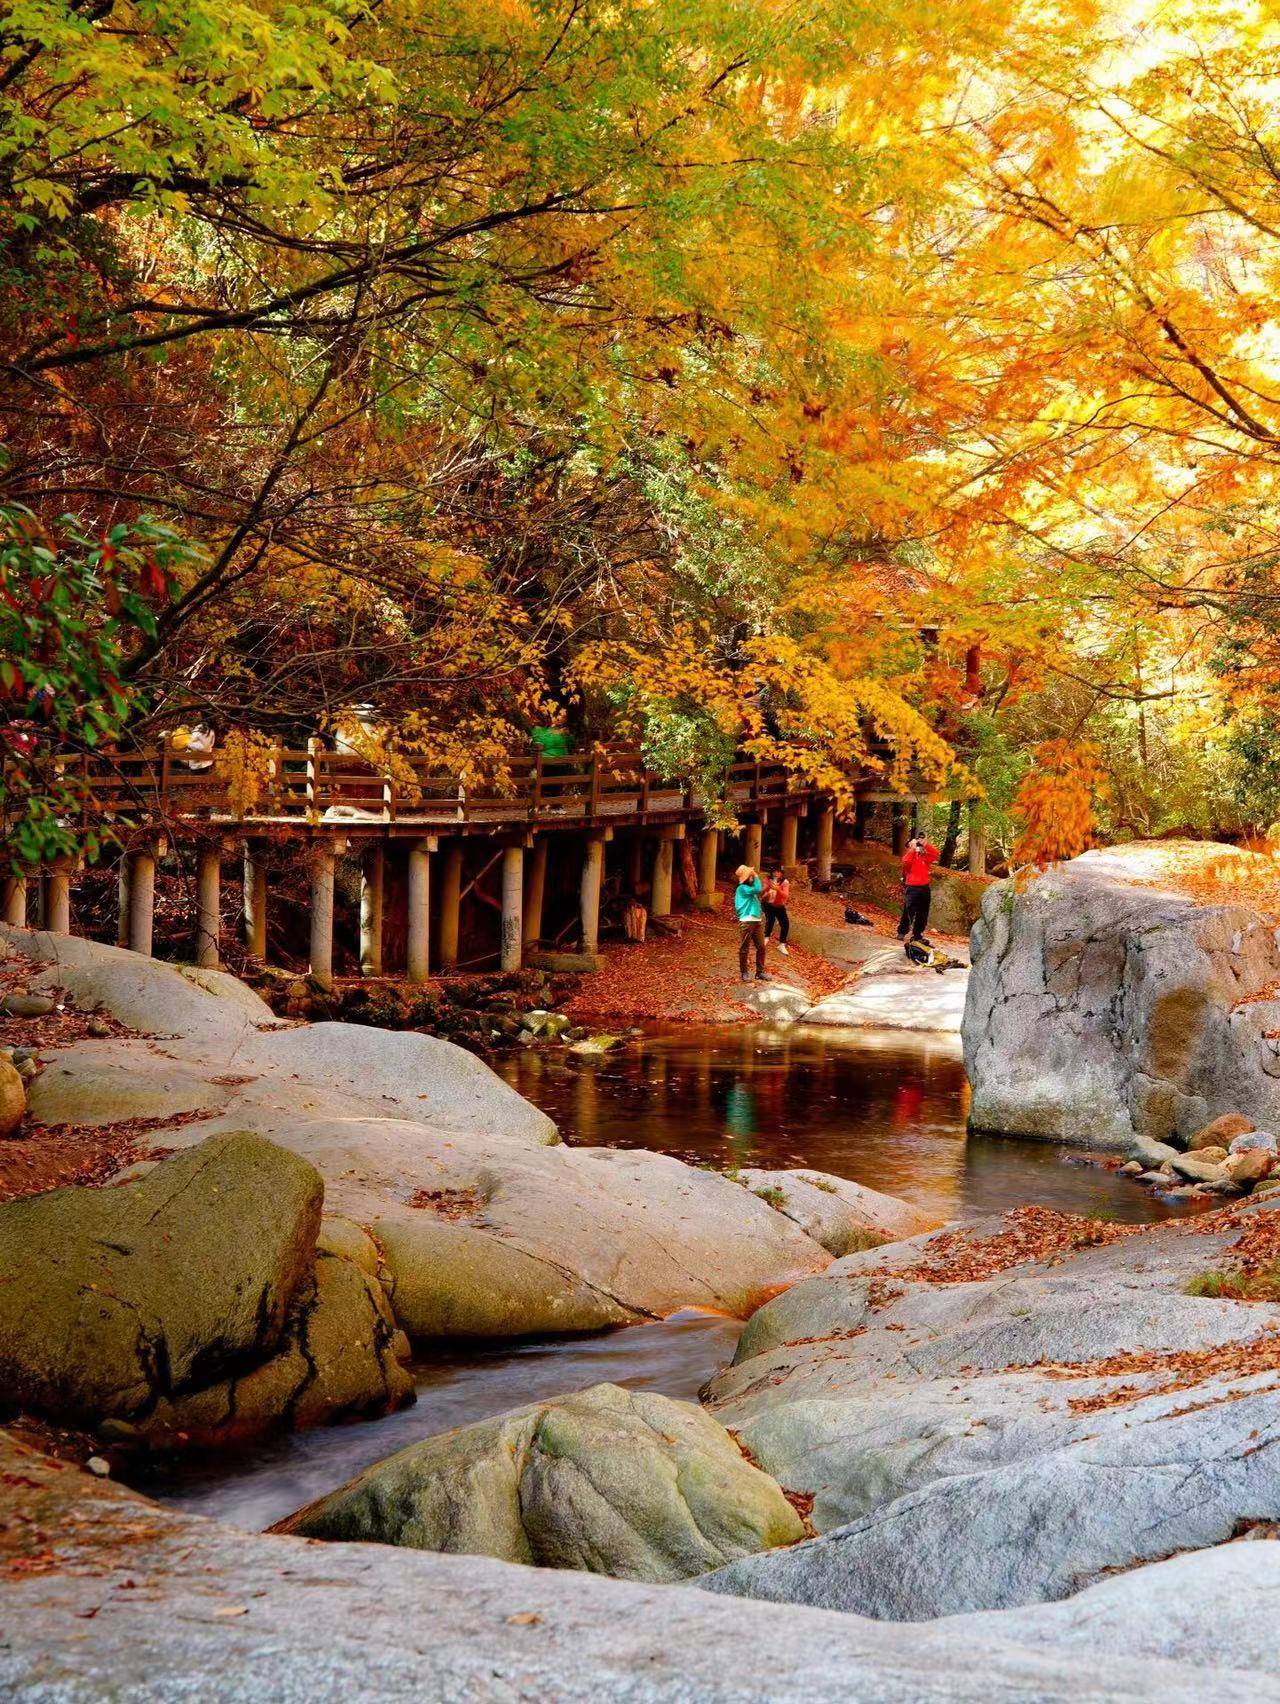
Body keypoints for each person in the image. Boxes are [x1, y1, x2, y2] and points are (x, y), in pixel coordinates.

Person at [897, 833, 939, 944]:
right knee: (908, 911)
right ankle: (902, 932)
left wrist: (926, 844)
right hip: (912, 887)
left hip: (924, 887)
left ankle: (917, 934)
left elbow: (935, 855)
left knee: (923, 913)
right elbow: (906, 862)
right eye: (914, 842)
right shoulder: (909, 854)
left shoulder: (924, 856)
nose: (917, 843)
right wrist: (913, 848)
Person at [733, 863, 769, 983]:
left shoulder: (750, 890)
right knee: (744, 948)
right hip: (747, 921)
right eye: (750, 875)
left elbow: (758, 890)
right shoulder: (742, 888)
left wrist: (753, 876)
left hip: (756, 920)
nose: (752, 877)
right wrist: (756, 876)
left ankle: (760, 972)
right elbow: (758, 888)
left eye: (752, 876)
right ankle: (744, 973)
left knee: (761, 947)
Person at [762, 869, 791, 954]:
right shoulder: (767, 880)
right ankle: (766, 938)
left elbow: (786, 896)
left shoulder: (785, 882)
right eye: (774, 872)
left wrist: (778, 889)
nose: (776, 874)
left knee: (785, 924)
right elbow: (761, 892)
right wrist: (768, 887)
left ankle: (782, 944)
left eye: (778, 872)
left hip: (779, 906)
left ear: (782, 874)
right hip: (768, 904)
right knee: (770, 920)